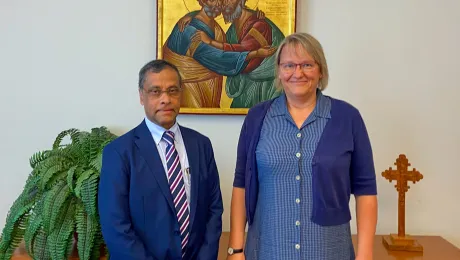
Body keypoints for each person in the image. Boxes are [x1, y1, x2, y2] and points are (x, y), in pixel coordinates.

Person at [227, 32, 378, 260]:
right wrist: (236, 249)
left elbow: (365, 190)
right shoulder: (257, 118)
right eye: (289, 65)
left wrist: (365, 254)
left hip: (329, 251)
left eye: (307, 64)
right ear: (278, 71)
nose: (298, 73)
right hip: (268, 250)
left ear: (320, 70)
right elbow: (241, 184)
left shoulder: (347, 118)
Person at [98, 59, 224, 259]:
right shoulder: (119, 152)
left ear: (181, 94)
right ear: (142, 96)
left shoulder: (201, 145)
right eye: (155, 91)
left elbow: (213, 210)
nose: (165, 99)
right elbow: (115, 225)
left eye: (173, 90)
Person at [163, 0, 276, 108]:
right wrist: (255, 53)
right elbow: (220, 59)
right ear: (202, 1)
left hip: (211, 89)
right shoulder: (189, 30)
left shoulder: (214, 25)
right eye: (212, 0)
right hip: (191, 90)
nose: (218, 3)